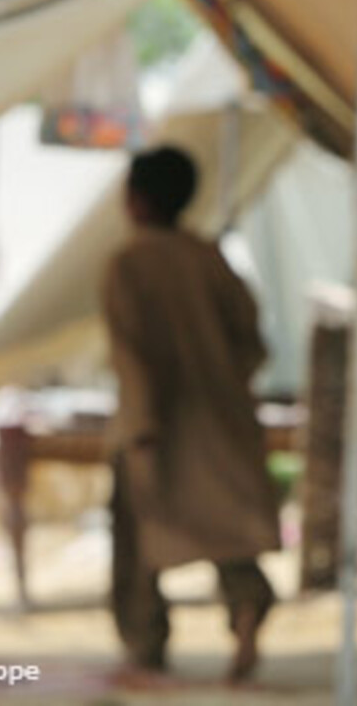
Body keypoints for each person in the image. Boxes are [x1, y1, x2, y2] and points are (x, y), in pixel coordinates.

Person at [103, 145, 280, 683]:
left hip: (155, 424)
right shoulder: (209, 257)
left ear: (134, 200)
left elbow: (130, 353)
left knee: (138, 537)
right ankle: (246, 611)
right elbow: (252, 340)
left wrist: (141, 425)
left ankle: (145, 641)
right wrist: (226, 382)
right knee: (228, 530)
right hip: (222, 418)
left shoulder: (128, 264)